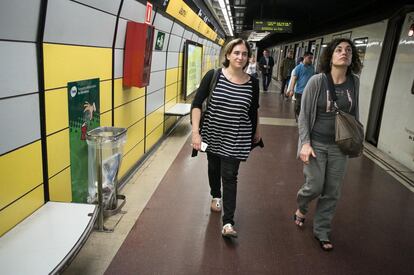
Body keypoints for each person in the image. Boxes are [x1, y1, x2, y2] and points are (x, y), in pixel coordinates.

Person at [293, 38, 362, 251]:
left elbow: (353, 113)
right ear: (330, 56)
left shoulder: (354, 82)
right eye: (339, 49)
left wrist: (355, 139)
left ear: (352, 58)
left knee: (332, 191)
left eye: (348, 50)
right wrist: (305, 143)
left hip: (340, 146)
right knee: (314, 185)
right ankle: (302, 207)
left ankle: (322, 230)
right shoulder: (317, 81)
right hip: (316, 143)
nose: (344, 53)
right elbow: (304, 115)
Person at [191, 38, 261, 238]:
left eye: (245, 54)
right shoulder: (214, 76)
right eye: (237, 52)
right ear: (228, 55)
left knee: (230, 176)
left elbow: (253, 109)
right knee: (214, 167)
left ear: (248, 58)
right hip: (212, 133)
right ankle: (215, 194)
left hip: (237, 137)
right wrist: (196, 132)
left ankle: (228, 222)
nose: (241, 57)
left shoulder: (253, 83)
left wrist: (257, 130)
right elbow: (197, 104)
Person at [287, 52, 315, 120]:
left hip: (309, 91)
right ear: (304, 57)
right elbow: (294, 79)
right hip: (299, 91)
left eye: (312, 58)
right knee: (297, 107)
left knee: (306, 106)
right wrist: (291, 90)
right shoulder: (298, 68)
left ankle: (301, 119)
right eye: (309, 58)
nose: (311, 60)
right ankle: (298, 116)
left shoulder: (312, 67)